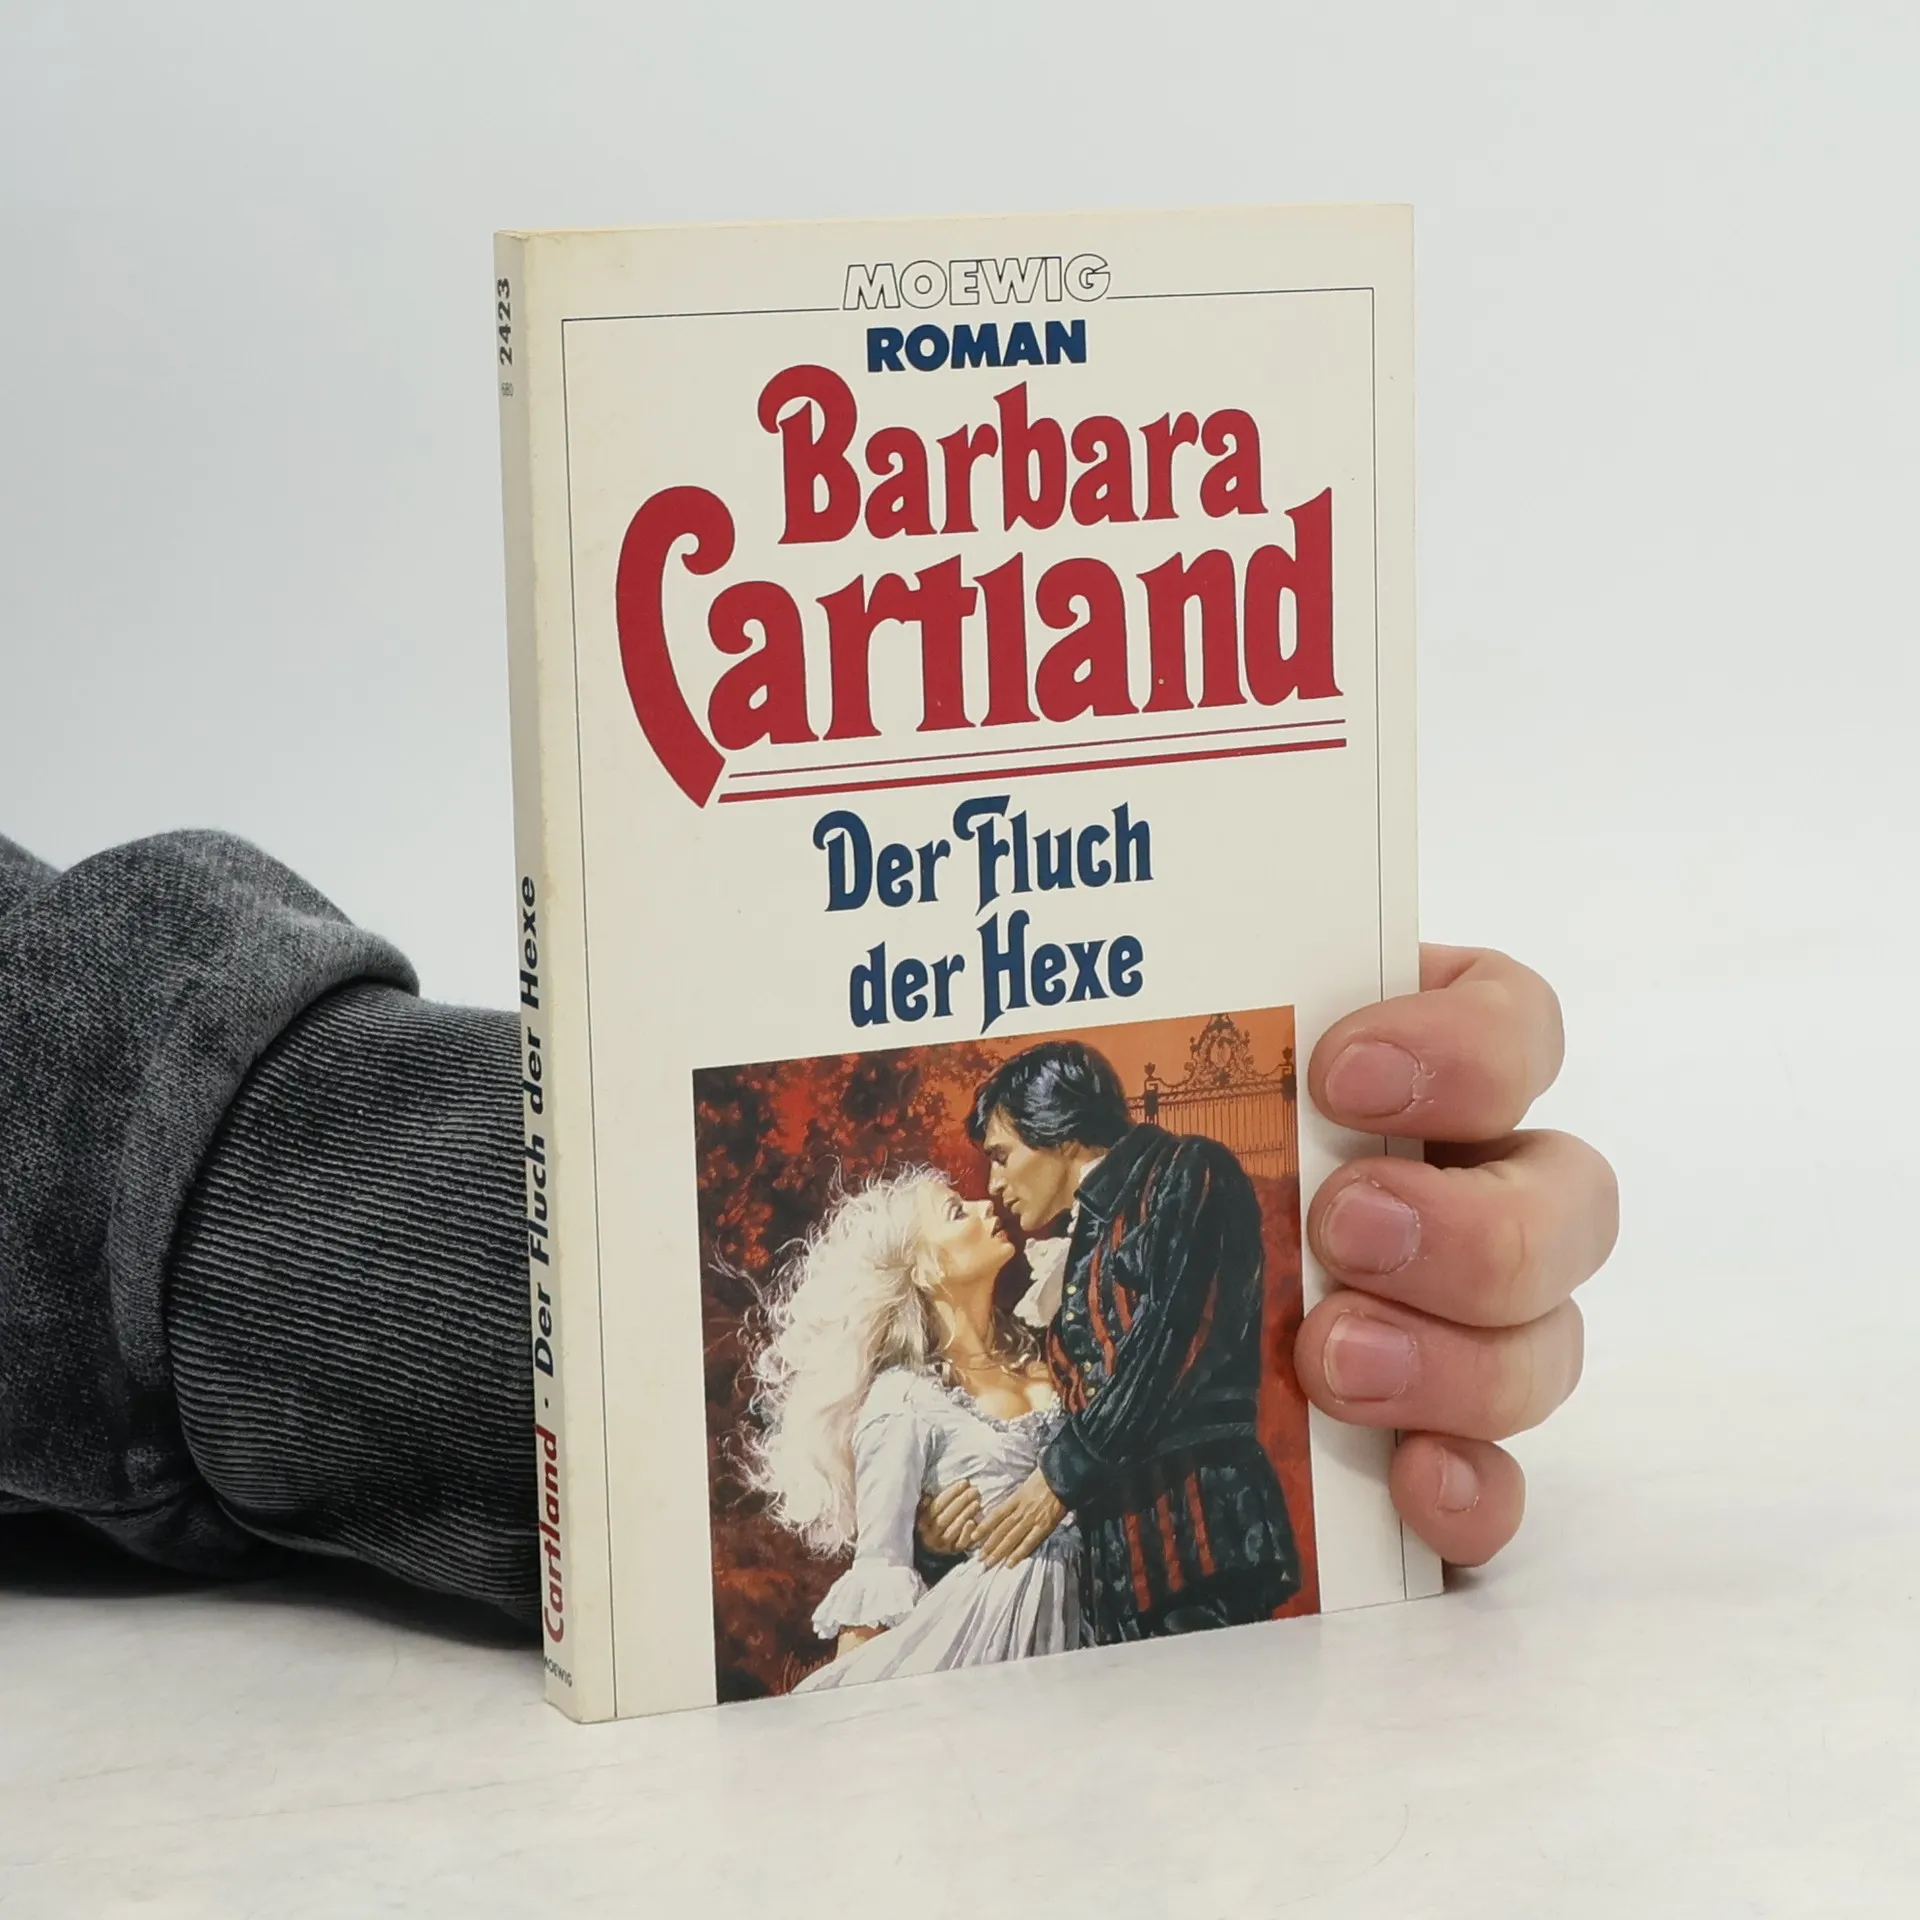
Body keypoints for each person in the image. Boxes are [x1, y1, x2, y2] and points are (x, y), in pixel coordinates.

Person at [0, 828, 1617, 1625]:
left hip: (1210, 1595)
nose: (990, 1190)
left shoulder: (1175, 1187)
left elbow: (1140, 1398)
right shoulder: (980, 1329)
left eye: (999, 1163)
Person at [953, 1041, 1302, 1642]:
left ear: (1059, 1131)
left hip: (1199, 1545)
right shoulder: (1079, 1238)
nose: (994, 1184)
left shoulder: (1188, 1172)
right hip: (1117, 1576)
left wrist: (1060, 1477)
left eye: (1002, 1157)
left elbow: (1169, 1348)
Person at [749, 1169, 1083, 1688]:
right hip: (988, 1649)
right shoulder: (903, 1400)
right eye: (957, 1212)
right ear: (926, 1270)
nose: (984, 1204)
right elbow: (877, 1571)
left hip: (1092, 1620)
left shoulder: (1048, 1350)